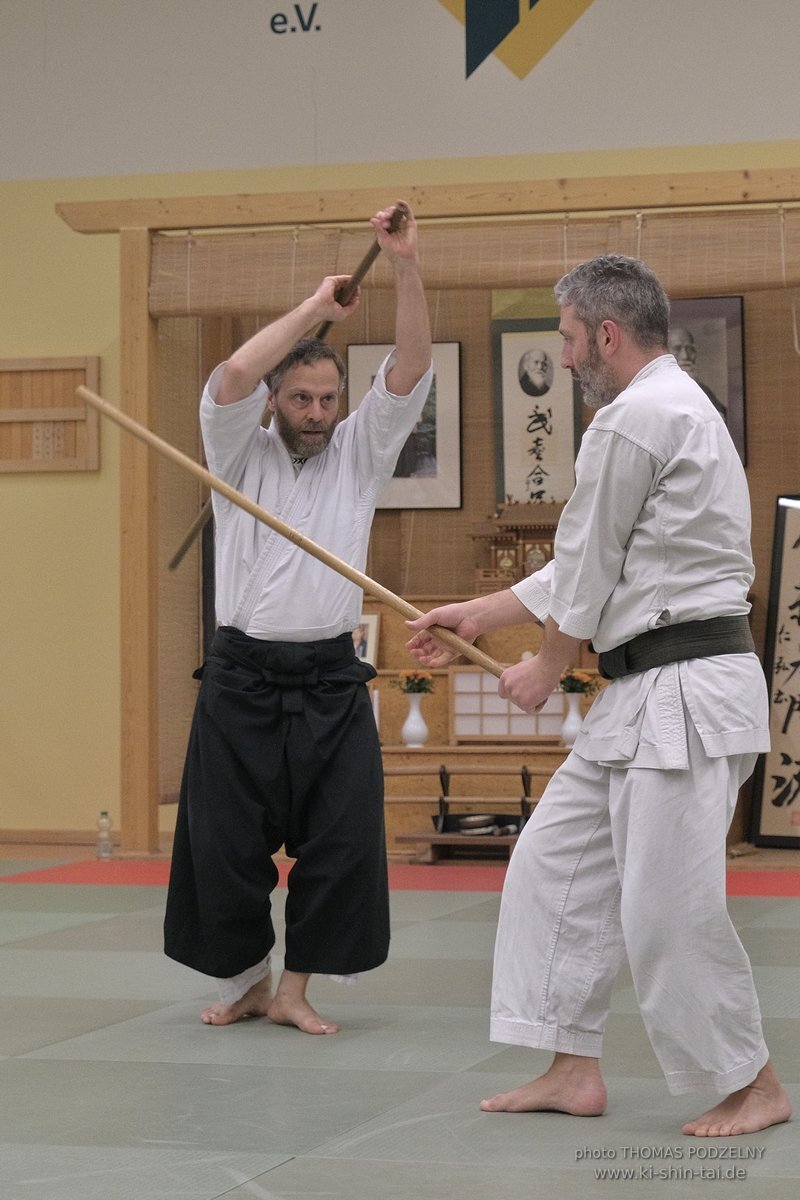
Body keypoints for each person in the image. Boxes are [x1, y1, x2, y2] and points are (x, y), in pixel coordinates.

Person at [407, 253, 792, 1136]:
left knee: (667, 902)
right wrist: (482, 609)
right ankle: (572, 1066)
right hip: (643, 693)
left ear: (606, 335)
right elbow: (593, 558)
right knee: (554, 868)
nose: (569, 354)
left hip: (684, 691)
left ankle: (756, 1082)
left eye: (571, 339)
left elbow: (585, 574)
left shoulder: (637, 417)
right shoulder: (668, 409)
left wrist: (543, 666)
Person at [164, 202, 433, 1034]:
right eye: (303, 397)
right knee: (222, 841)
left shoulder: (360, 452)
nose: (317, 411)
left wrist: (404, 265)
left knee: (345, 838)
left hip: (329, 674)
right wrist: (318, 309)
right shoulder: (239, 449)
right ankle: (249, 977)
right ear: (280, 401)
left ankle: (295, 988)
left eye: (327, 399)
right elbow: (231, 379)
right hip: (241, 671)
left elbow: (413, 364)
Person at [668, 325, 726, 417]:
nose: (685, 356)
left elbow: (721, 418)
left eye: (689, 349)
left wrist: (694, 384)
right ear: (666, 353)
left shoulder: (701, 388)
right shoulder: (657, 387)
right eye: (677, 349)